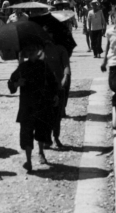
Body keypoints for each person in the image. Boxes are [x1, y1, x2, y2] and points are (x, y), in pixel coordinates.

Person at [8, 41, 59, 172]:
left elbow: (53, 83)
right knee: (26, 132)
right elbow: (11, 83)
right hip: (27, 105)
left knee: (41, 130)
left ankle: (41, 152)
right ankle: (29, 160)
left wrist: (55, 95)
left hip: (42, 104)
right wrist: (17, 84)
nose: (31, 52)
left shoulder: (44, 66)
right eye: (28, 50)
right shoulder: (22, 68)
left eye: (33, 50)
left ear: (38, 52)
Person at [42, 34, 71, 148]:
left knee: (57, 114)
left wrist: (66, 76)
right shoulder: (39, 50)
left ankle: (56, 137)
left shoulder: (60, 49)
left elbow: (66, 65)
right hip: (44, 86)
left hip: (58, 85)